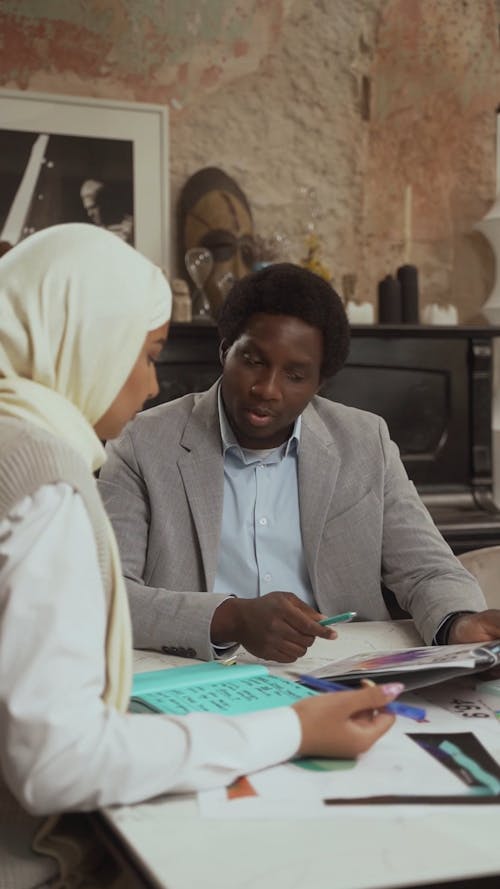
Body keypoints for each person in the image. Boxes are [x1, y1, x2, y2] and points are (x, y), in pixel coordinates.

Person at [0, 227, 400, 889]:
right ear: (86, 338)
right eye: (149, 352)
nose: (151, 382)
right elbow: (55, 760)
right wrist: (291, 730)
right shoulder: (46, 480)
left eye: (296, 373)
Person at [99, 262, 500, 665]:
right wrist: (230, 618)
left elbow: (429, 570)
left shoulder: (364, 442)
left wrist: (458, 622)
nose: (267, 389)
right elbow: (107, 593)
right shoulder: (142, 443)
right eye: (254, 360)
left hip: (340, 674)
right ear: (225, 351)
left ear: (319, 383)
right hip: (196, 675)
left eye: (295, 375)